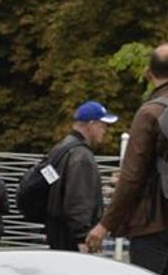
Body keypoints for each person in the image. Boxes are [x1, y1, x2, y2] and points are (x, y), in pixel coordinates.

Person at [85, 43, 168, 275]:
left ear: (148, 73)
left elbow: (132, 176)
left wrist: (105, 225)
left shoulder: (150, 113)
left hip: (152, 221)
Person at [44, 101, 116, 252]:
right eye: (102, 125)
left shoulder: (61, 148)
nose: (105, 130)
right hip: (72, 238)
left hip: (57, 230)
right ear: (91, 125)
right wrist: (82, 238)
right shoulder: (81, 156)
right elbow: (78, 199)